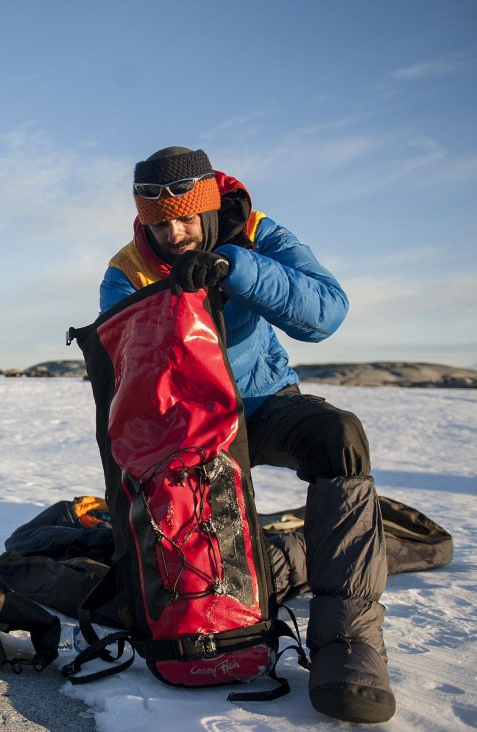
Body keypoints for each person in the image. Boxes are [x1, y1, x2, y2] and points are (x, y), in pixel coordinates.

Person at [98, 146, 395, 724]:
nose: (174, 233)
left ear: (208, 207)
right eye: (159, 223)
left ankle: (348, 645)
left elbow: (327, 314)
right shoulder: (126, 270)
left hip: (262, 403)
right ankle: (204, 617)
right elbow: (130, 373)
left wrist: (238, 268)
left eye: (185, 218)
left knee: (339, 438)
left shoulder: (259, 234)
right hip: (184, 422)